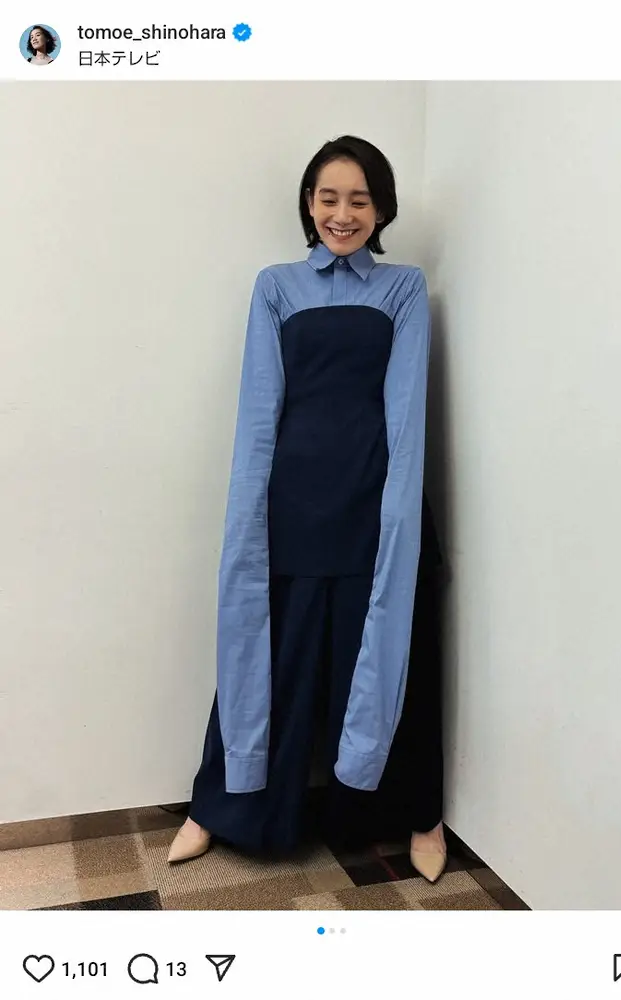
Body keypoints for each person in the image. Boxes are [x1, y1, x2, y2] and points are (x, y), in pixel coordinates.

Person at [168, 135, 451, 882]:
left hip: (375, 507)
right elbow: (259, 410)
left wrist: (396, 516)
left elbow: (406, 414)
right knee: (272, 659)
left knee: (390, 657)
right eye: (329, 198)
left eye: (360, 199)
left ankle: (418, 814)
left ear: (382, 208)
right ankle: (219, 804)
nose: (342, 214)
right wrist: (250, 514)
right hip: (291, 509)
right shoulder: (276, 286)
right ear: (308, 203)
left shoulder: (403, 289)